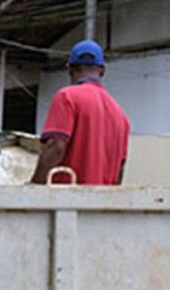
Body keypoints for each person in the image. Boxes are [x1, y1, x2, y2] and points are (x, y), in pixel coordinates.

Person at [30, 40, 131, 186]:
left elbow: (56, 147)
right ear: (102, 70)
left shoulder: (66, 97)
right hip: (101, 203)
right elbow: (120, 169)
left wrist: (35, 185)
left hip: (66, 200)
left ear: (69, 69)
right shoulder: (121, 116)